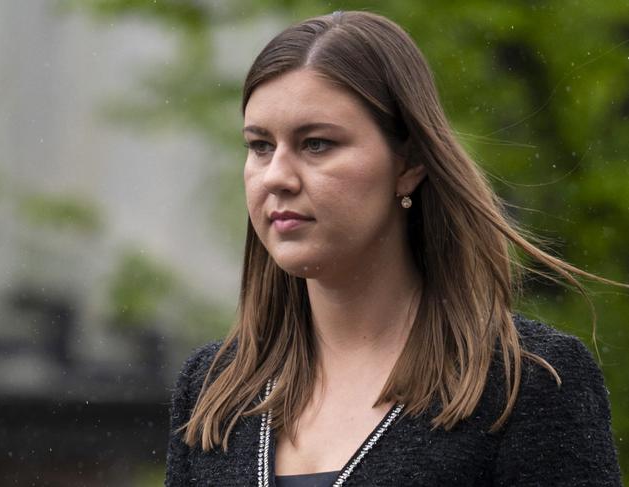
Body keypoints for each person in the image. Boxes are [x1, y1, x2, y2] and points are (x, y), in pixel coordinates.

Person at [164, 10, 623, 487]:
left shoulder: (523, 381)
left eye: (317, 144)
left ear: (409, 163)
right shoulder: (214, 389)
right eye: (260, 145)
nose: (276, 175)